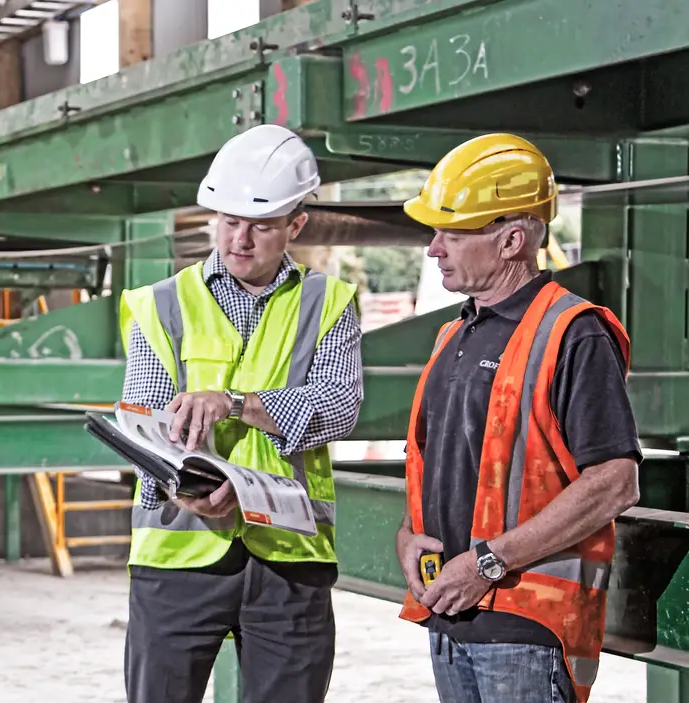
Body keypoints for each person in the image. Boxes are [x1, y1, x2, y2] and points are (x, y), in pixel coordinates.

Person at [392, 133, 642, 703]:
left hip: (527, 625)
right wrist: (408, 537)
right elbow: (441, 465)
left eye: (452, 234)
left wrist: (485, 563)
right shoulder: (452, 335)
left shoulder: (573, 333)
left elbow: (614, 483)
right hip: (450, 614)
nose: (434, 249)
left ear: (510, 240)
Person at [119, 123, 363, 703]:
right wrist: (187, 485)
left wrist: (235, 404)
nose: (240, 240)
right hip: (179, 550)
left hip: (289, 556)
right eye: (229, 221)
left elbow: (336, 407)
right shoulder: (161, 304)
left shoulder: (328, 304)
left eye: (261, 225)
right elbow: (147, 420)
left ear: (295, 225)